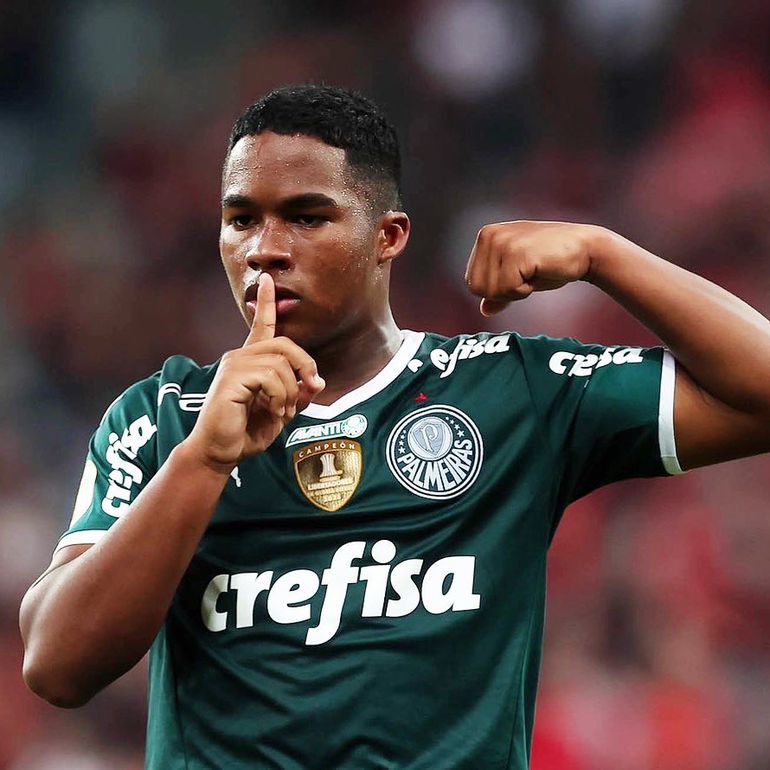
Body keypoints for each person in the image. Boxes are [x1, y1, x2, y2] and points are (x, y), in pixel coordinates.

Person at [19, 84, 770, 770]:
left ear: (389, 236)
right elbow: (57, 666)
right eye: (241, 219)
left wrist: (606, 255)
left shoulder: (509, 390)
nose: (264, 249)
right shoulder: (162, 416)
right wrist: (202, 463)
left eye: (307, 217)